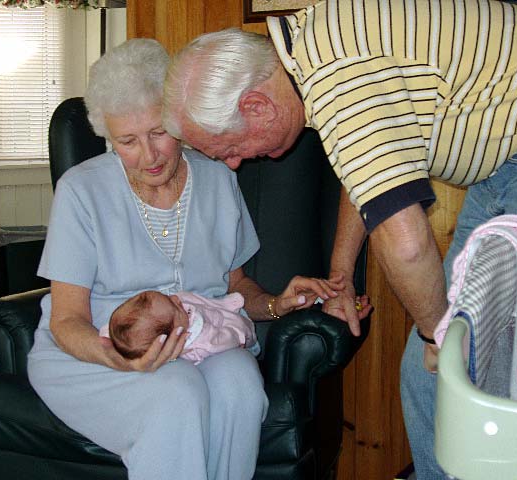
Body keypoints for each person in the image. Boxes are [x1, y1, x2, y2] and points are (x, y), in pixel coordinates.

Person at [161, 1, 517, 477]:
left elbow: (407, 244)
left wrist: (436, 334)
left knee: (507, 364)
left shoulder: (339, 82)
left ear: (256, 105)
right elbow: (361, 175)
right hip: (513, 159)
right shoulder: (304, 55)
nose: (235, 164)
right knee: (430, 375)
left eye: (231, 149)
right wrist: (341, 277)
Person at [26, 38, 344, 480]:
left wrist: (276, 304)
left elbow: (235, 286)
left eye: (158, 133)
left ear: (179, 121)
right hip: (99, 348)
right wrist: (120, 359)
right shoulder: (82, 191)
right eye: (128, 141)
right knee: (176, 392)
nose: (149, 155)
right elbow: (66, 321)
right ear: (108, 138)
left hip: (202, 336)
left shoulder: (217, 178)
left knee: (241, 389)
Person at [100, 290, 258, 365]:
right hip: (226, 332)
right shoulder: (202, 340)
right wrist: (237, 334)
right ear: (174, 336)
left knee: (187, 298)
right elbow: (224, 339)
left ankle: (222, 304)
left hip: (206, 311)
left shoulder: (130, 333)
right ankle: (231, 316)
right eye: (173, 305)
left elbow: (114, 331)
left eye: (167, 297)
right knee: (238, 327)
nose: (175, 298)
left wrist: (113, 337)